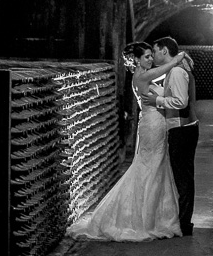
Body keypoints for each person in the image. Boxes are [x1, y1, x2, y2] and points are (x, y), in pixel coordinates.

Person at [67, 41, 189, 241]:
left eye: (152, 55)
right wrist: (178, 58)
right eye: (147, 56)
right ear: (137, 60)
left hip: (155, 123)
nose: (151, 59)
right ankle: (142, 220)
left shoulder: (144, 75)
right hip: (152, 124)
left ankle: (151, 217)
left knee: (155, 168)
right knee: (149, 168)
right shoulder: (141, 76)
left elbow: (164, 72)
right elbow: (167, 68)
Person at [141, 36, 198, 235]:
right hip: (183, 127)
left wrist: (158, 100)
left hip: (182, 128)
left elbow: (180, 102)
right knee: (182, 176)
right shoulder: (178, 69)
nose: (154, 55)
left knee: (182, 177)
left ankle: (184, 224)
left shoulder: (176, 71)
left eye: (155, 51)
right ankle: (182, 222)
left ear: (165, 51)